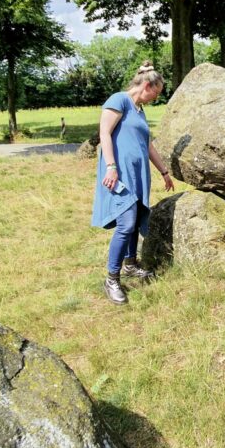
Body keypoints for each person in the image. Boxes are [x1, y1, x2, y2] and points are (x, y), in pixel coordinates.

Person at [92, 61, 175, 305]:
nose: (156, 98)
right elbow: (104, 133)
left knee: (136, 219)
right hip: (119, 173)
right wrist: (111, 166)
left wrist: (164, 171)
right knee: (126, 224)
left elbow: (147, 144)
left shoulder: (139, 110)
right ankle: (112, 279)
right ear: (147, 86)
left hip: (138, 175)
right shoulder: (119, 100)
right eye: (156, 93)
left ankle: (130, 265)